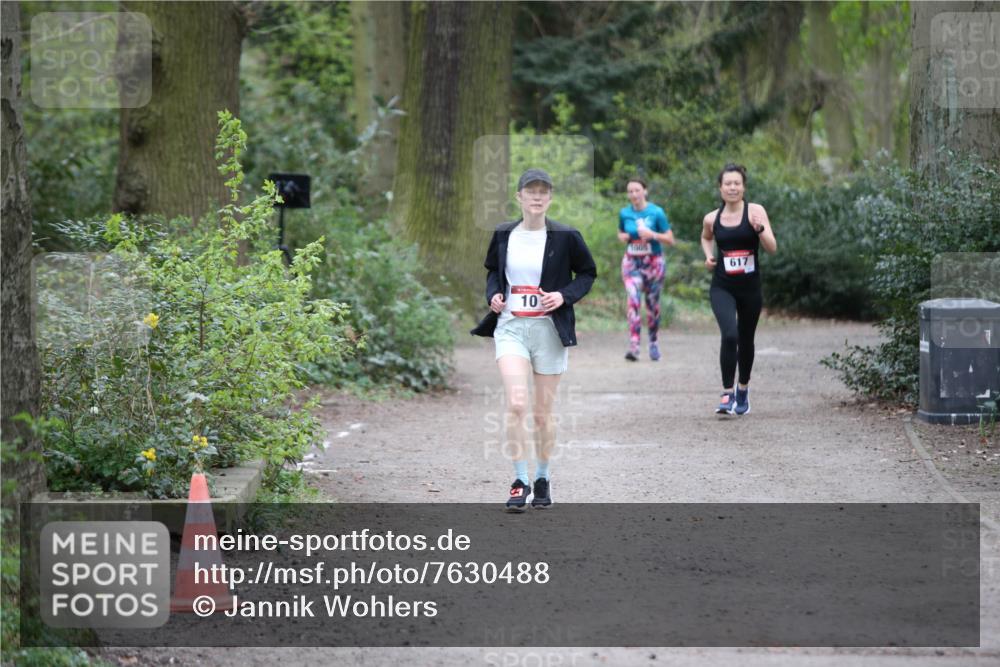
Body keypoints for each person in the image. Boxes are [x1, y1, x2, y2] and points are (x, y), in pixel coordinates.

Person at [471, 168, 597, 511]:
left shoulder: (566, 236)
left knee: (542, 414)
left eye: (543, 191)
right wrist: (495, 295)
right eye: (531, 191)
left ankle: (542, 476)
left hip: (549, 331)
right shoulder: (503, 234)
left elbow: (587, 273)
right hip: (511, 327)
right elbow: (493, 273)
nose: (537, 196)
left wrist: (564, 296)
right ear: (519, 197)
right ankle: (519, 480)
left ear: (550, 198)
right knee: (516, 404)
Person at [700, 163, 777, 416]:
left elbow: (772, 248)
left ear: (743, 187)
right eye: (727, 184)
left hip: (750, 288)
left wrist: (760, 230)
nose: (732, 187)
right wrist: (709, 256)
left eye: (737, 183)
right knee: (729, 335)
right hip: (722, 286)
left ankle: (743, 389)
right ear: (720, 188)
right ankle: (726, 393)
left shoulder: (755, 212)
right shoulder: (712, 218)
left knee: (745, 339)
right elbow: (706, 236)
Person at [617, 178, 674, 361]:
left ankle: (653, 342)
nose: (633, 194)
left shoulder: (657, 212)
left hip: (654, 263)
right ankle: (634, 346)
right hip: (632, 262)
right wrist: (623, 236)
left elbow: (670, 239)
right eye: (630, 191)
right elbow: (620, 233)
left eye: (637, 190)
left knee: (652, 306)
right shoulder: (624, 213)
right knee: (633, 300)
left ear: (645, 191)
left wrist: (653, 235)